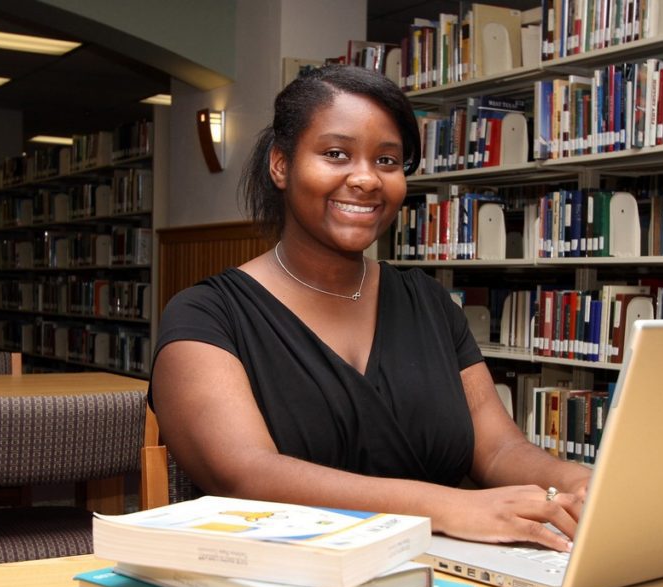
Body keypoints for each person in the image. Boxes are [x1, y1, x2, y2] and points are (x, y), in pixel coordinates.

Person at [150, 65, 590, 552]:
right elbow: (246, 474)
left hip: (451, 569)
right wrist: (448, 507)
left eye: (387, 160)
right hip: (286, 585)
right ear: (280, 164)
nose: (366, 179)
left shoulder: (429, 302)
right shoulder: (206, 316)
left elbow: (498, 447)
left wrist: (571, 480)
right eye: (336, 154)